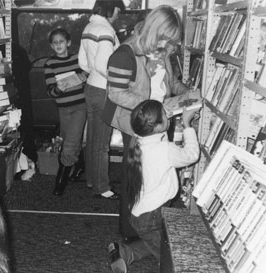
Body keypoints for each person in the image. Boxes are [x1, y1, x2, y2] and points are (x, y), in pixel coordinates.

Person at [101, 5, 190, 239]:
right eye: (166, 40)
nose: (170, 47)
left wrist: (188, 95)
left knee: (156, 177)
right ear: (154, 31)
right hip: (139, 122)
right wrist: (153, 107)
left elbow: (171, 83)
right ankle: (130, 232)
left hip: (158, 120)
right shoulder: (124, 54)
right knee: (137, 179)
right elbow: (116, 94)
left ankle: (150, 228)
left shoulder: (162, 52)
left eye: (173, 42)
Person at [108, 100, 200, 273]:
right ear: (157, 126)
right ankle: (126, 252)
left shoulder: (140, 141)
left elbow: (158, 138)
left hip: (144, 214)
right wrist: (187, 126)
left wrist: (166, 120)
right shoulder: (164, 149)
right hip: (151, 216)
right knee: (173, 260)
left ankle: (123, 252)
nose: (168, 116)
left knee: (158, 242)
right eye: (165, 115)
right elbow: (191, 155)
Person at [78, 0, 125, 199]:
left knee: (93, 140)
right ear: (110, 7)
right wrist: (121, 82)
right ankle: (102, 188)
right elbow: (103, 64)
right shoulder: (105, 29)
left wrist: (96, 76)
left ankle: (92, 180)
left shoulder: (89, 26)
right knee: (102, 143)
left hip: (91, 87)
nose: (118, 15)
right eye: (118, 11)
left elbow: (83, 62)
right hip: (103, 90)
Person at [44, 28, 88, 196]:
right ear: (51, 45)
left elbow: (89, 75)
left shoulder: (78, 59)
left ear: (68, 43)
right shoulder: (49, 64)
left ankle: (59, 184)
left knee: (70, 143)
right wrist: (58, 89)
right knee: (68, 140)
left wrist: (84, 76)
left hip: (79, 106)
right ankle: (79, 166)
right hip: (63, 107)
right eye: (54, 43)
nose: (58, 45)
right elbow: (50, 91)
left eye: (61, 41)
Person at [12, 13, 38, 181]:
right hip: (21, 97)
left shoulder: (13, 51)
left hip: (14, 96)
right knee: (24, 126)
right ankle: (28, 161)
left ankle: (23, 165)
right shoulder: (19, 51)